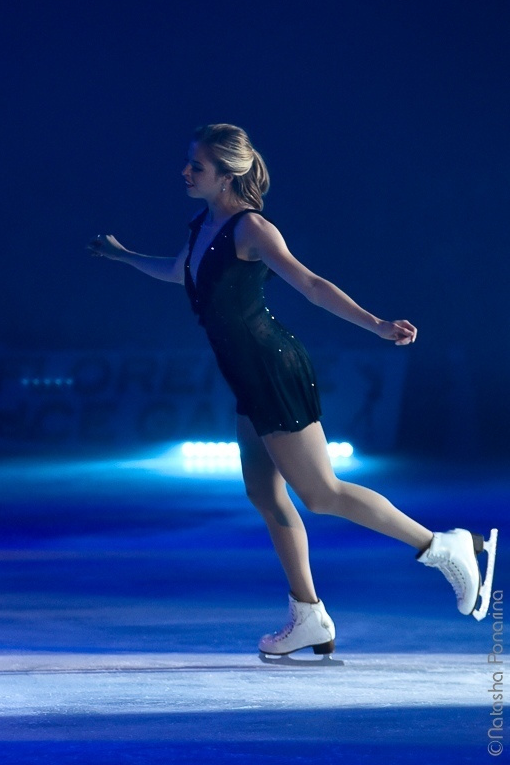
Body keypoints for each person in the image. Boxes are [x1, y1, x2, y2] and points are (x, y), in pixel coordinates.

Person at [88, 123, 497, 659]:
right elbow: (177, 271)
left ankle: (446, 546)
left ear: (228, 173)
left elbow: (310, 284)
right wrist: (123, 256)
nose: (185, 172)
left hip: (271, 367)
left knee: (321, 493)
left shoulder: (251, 228)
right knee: (264, 492)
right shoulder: (202, 224)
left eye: (198, 166)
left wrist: (375, 324)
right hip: (246, 374)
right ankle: (308, 616)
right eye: (189, 163)